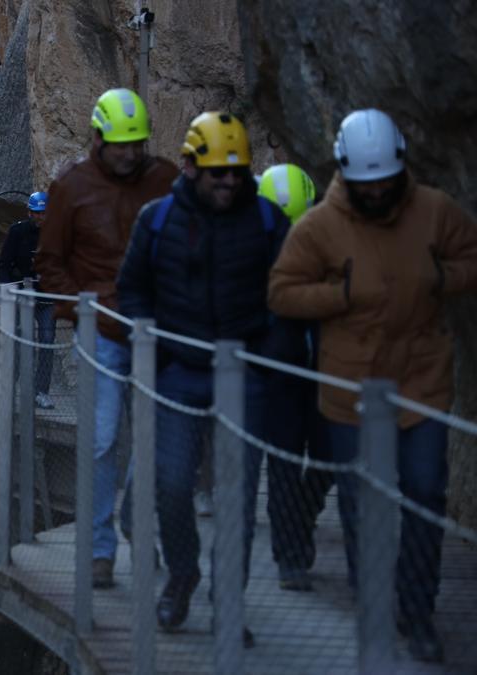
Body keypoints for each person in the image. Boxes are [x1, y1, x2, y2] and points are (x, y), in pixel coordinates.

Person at [269, 109, 477, 663]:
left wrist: (442, 278)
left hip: (421, 381)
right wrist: (340, 295)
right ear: (346, 176)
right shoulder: (318, 227)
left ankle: (417, 609)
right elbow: (283, 292)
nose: (378, 193)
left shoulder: (434, 211)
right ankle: (375, 608)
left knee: (425, 494)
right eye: (367, 185)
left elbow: (471, 257)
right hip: (351, 388)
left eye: (385, 183)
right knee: (363, 506)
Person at [117, 111, 298, 645]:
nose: (228, 181)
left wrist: (268, 353)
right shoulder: (157, 220)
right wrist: (149, 339)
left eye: (237, 171)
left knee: (237, 499)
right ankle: (183, 572)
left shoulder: (268, 222)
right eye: (218, 171)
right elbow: (133, 289)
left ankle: (228, 607)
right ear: (193, 166)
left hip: (244, 378)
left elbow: (286, 296)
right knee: (171, 484)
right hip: (178, 374)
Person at [35, 88, 179, 589]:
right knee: (99, 438)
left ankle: (140, 528)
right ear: (98, 138)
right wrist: (79, 307)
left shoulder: (166, 180)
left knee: (156, 439)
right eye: (120, 143)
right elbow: (50, 259)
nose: (129, 153)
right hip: (103, 330)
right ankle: (98, 549)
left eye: (136, 143)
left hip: (158, 327)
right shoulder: (70, 188)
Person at [256, 164, 334, 591]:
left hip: (324, 368)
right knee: (283, 464)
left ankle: (303, 516)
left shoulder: (329, 242)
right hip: (279, 372)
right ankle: (290, 557)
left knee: (330, 456)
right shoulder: (253, 250)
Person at [0, 191, 57, 409]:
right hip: (22, 296)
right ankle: (9, 388)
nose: (40, 217)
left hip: (47, 297)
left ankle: (41, 391)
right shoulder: (18, 232)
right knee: (20, 341)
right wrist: (10, 289)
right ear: (30, 212)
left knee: (48, 342)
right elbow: (3, 265)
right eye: (36, 213)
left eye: (44, 213)